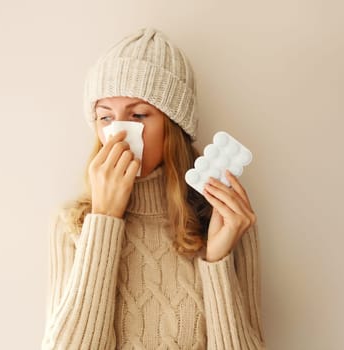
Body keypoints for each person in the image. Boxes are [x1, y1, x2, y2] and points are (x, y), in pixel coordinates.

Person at [41, 27, 266, 349]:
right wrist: (104, 219)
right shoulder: (71, 223)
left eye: (139, 114)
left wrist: (217, 261)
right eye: (105, 117)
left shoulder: (225, 219)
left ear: (173, 126)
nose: (119, 132)